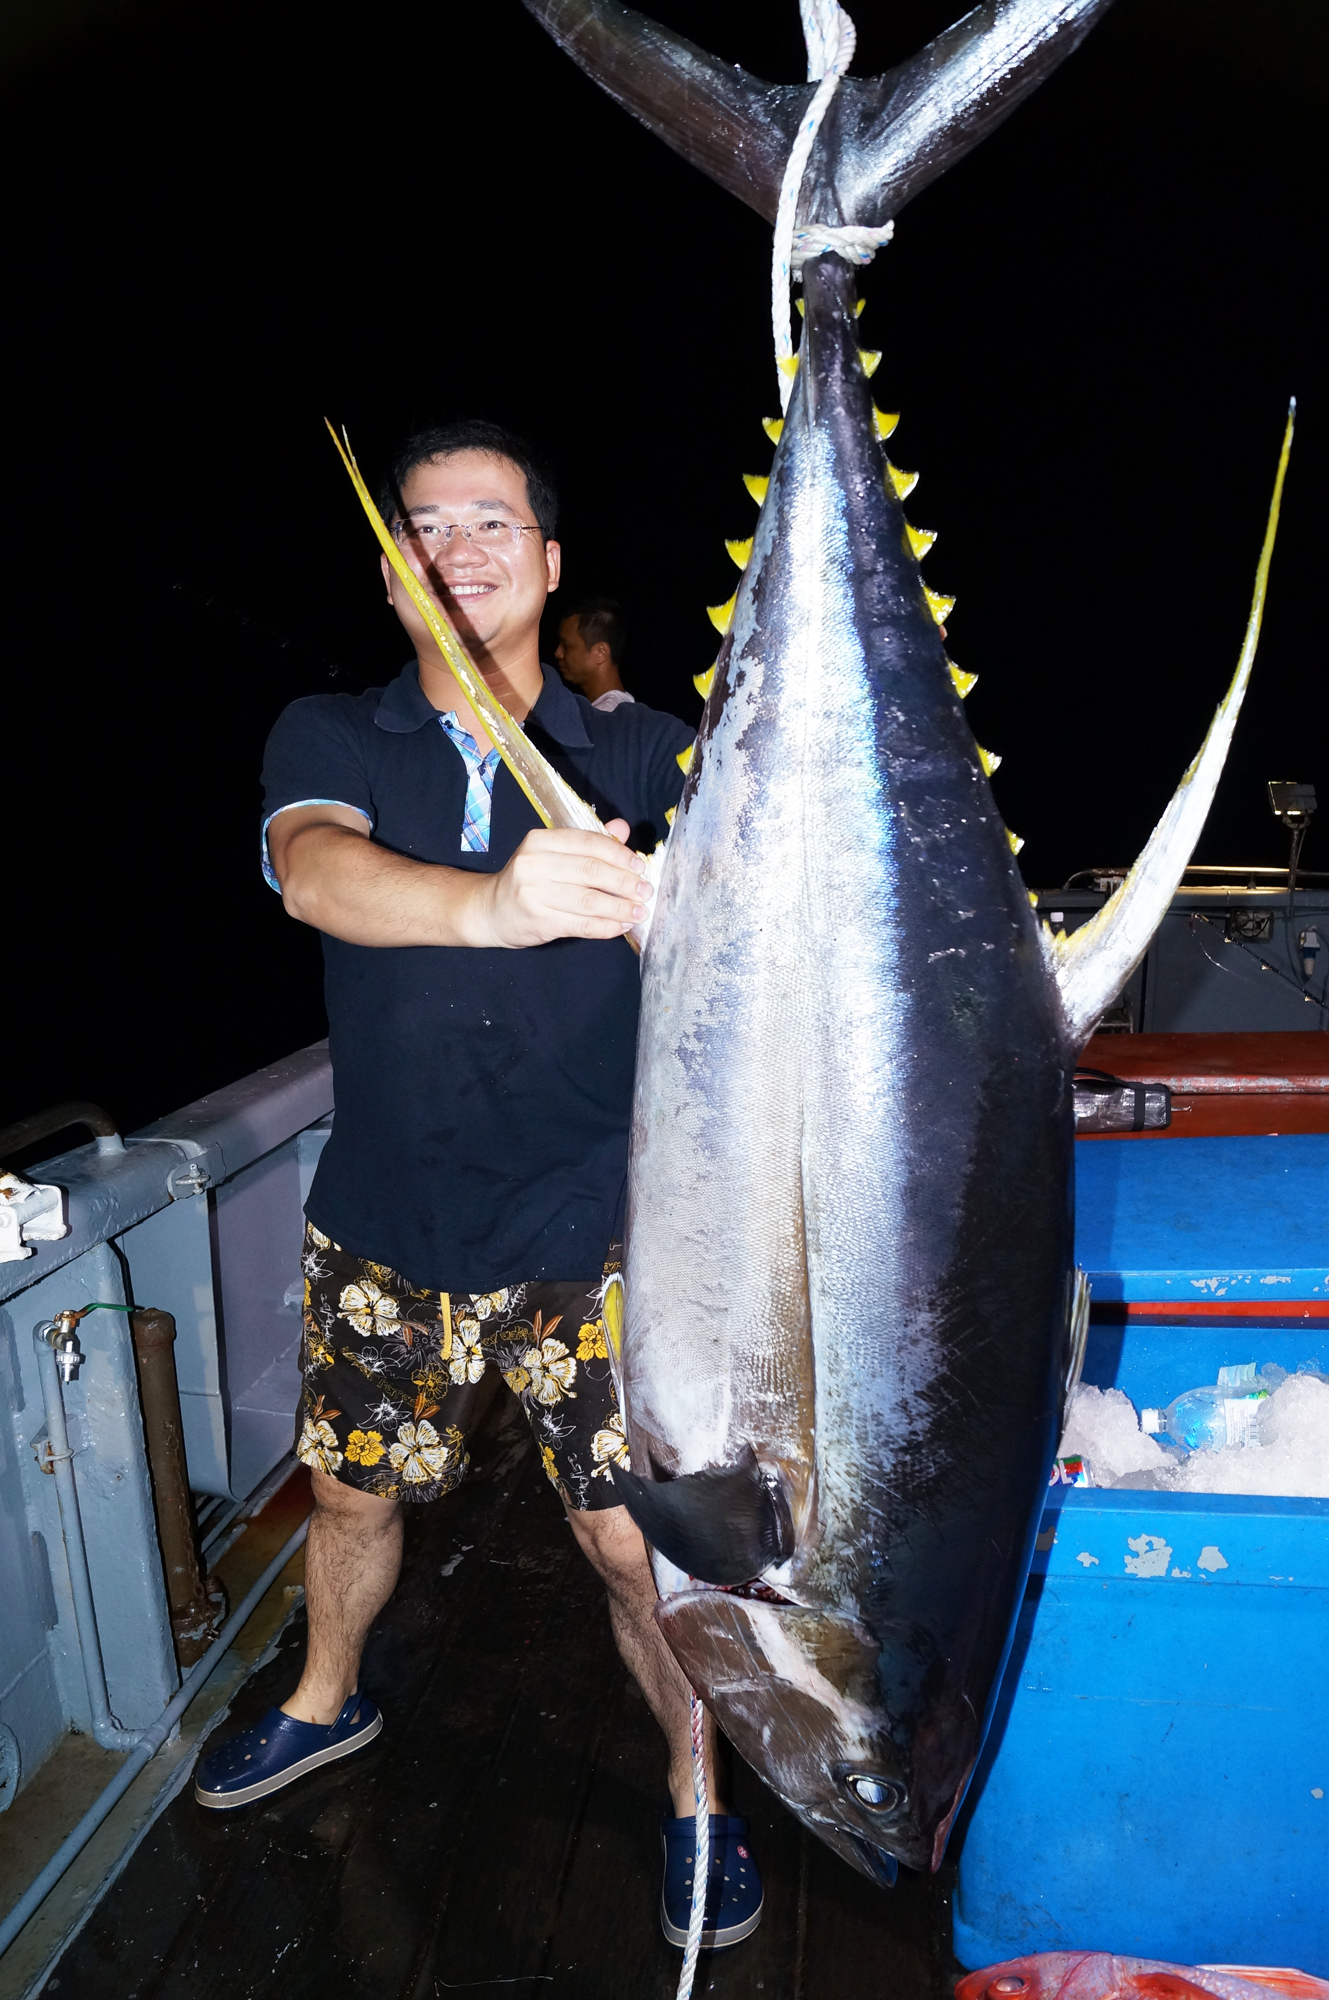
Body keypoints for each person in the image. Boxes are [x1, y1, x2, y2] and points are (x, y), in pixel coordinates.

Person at [192, 418, 763, 1952]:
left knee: (629, 1539)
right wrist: (501, 902)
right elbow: (315, 872)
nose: (456, 551)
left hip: (601, 1228)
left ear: (551, 562)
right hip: (388, 1219)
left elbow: (763, 934)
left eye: (491, 525)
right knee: (350, 1495)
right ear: (392, 579)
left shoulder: (641, 754)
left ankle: (700, 1794)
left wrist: (687, 923)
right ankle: (325, 1701)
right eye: (423, 531)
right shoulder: (332, 734)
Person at [554, 595, 634, 711]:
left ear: (600, 652)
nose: (558, 653)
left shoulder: (606, 715)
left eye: (567, 646)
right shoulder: (623, 708)